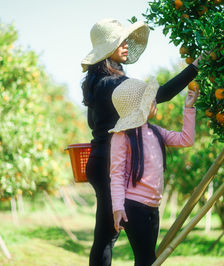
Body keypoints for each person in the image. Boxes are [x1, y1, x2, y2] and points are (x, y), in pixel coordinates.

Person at [81, 18, 202, 266]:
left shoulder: (96, 83)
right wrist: (195, 68)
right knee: (107, 237)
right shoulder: (114, 84)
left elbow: (96, 126)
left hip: (99, 159)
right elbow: (161, 95)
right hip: (111, 163)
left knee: (104, 236)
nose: (126, 45)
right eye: (120, 41)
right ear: (107, 48)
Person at [108, 77, 198, 265]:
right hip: (133, 207)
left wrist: (189, 107)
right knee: (146, 260)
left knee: (146, 261)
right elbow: (116, 174)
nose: (155, 101)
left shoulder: (155, 131)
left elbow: (186, 140)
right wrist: (118, 208)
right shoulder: (122, 136)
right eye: (150, 99)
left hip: (153, 208)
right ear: (140, 106)